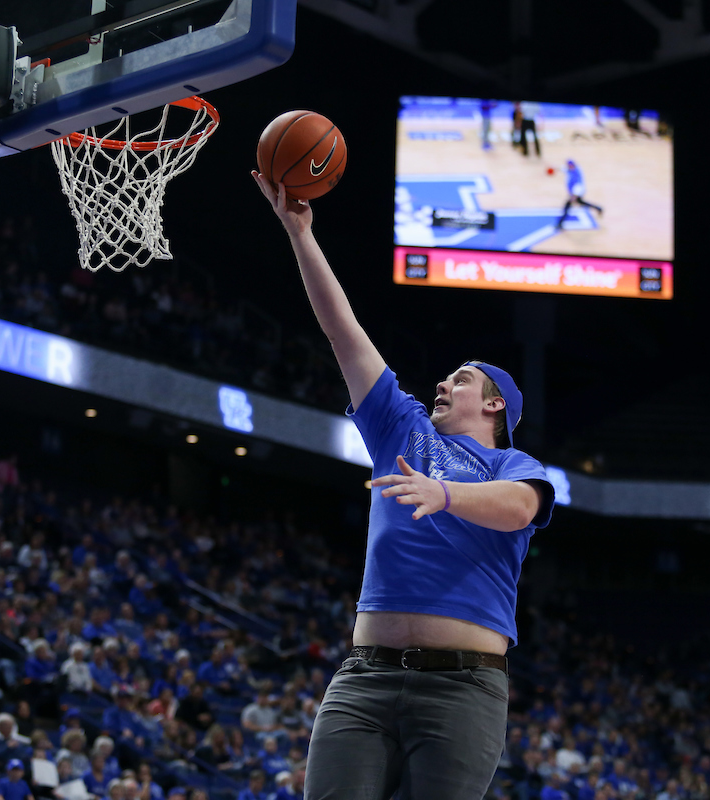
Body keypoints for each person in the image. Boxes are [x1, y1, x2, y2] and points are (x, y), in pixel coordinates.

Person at [252, 174, 554, 800]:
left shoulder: (515, 467)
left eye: (460, 380)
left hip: (464, 686)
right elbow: (343, 331)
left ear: (494, 403)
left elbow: (521, 508)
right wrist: (300, 234)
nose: (443, 386)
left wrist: (443, 495)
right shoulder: (401, 427)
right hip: (365, 679)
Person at [558, 160, 603, 230]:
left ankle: (560, 223)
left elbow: (578, 187)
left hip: (575, 194)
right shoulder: (572, 169)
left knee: (567, 206)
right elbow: (564, 169)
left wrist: (573, 197)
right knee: (582, 203)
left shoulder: (576, 176)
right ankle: (598, 208)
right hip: (574, 193)